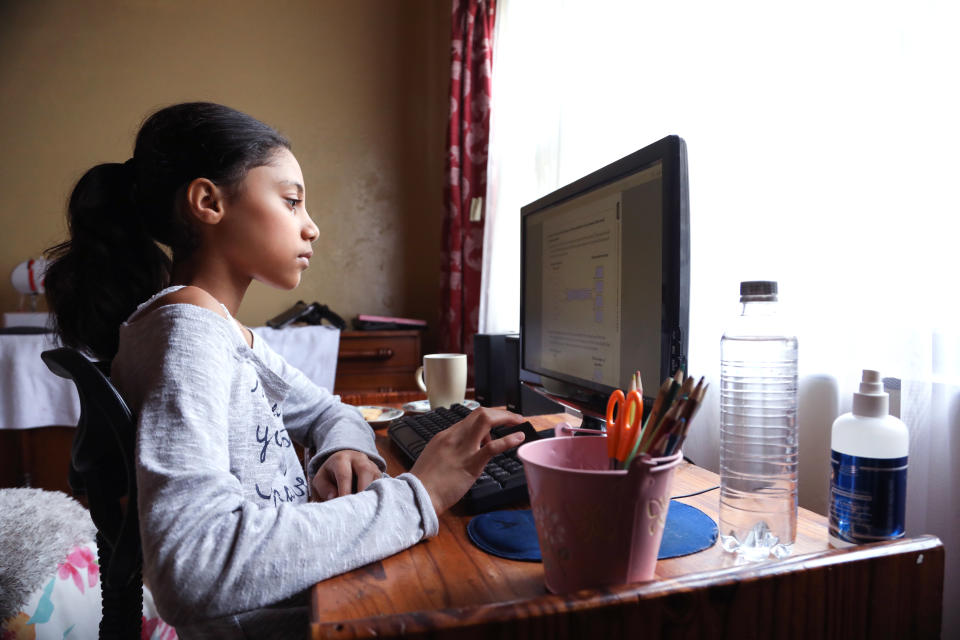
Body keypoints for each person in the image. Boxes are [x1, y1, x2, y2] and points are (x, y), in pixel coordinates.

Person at [43, 102, 526, 639]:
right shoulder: (187, 332)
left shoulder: (217, 328)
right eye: (292, 201)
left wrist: (343, 449)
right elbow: (192, 566)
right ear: (208, 201)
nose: (312, 227)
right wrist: (422, 496)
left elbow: (328, 409)